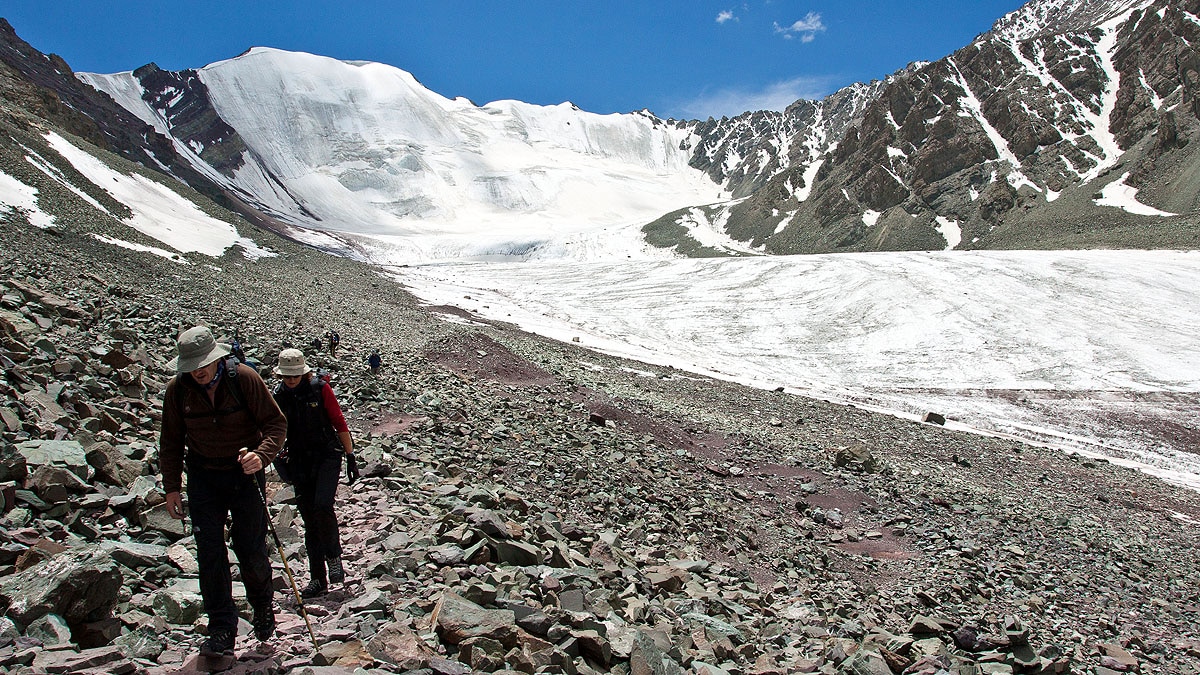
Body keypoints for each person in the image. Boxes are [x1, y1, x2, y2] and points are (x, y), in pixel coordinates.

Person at [158, 326, 287, 656]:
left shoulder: (244, 378)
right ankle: (221, 628)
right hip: (203, 476)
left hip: (244, 474)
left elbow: (275, 423)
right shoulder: (178, 390)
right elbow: (170, 442)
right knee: (210, 552)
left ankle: (261, 606)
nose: (198, 371)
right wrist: (172, 488)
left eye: (202, 363)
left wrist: (262, 455)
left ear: (216, 358)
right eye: (191, 365)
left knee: (250, 547)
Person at [272, 348, 353, 597]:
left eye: (295, 376)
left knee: (322, 506)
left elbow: (338, 421)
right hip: (299, 459)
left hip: (327, 455)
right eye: (287, 377)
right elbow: (272, 428)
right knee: (309, 518)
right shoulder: (279, 395)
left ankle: (334, 556)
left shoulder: (320, 388)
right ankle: (317, 579)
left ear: (304, 373)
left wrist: (350, 455)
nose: (291, 380)